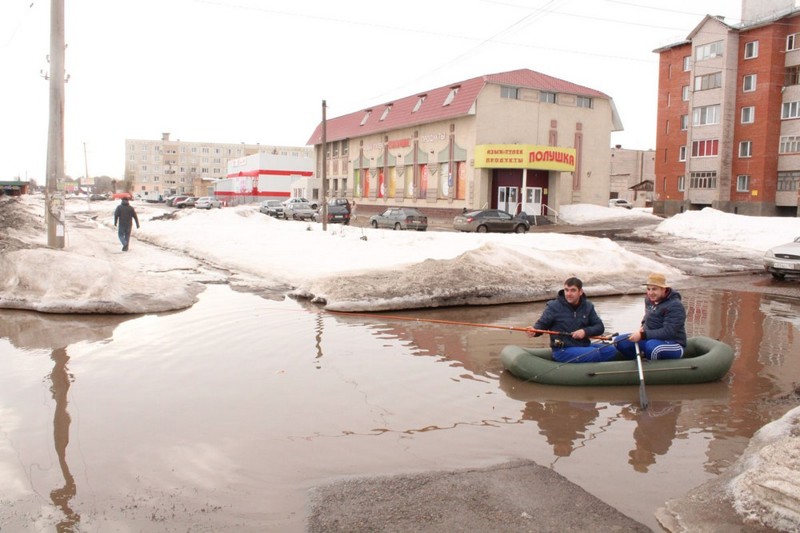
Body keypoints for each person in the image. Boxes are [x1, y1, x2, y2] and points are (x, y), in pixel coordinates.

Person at [528, 277, 617, 363]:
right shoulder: (553, 306)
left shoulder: (588, 306)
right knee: (593, 353)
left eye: (573, 290)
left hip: (583, 346)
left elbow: (599, 327)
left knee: (611, 350)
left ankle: (590, 365)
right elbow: (542, 324)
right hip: (563, 349)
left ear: (580, 292)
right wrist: (534, 331)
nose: (569, 294)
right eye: (566, 290)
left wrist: (585, 332)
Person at [615, 272, 687, 360]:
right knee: (620, 341)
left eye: (654, 289)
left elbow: (668, 332)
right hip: (651, 338)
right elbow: (647, 317)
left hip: (673, 343)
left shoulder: (675, 305)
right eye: (648, 289)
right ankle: (637, 362)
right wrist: (642, 327)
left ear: (664, 289)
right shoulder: (649, 300)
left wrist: (642, 335)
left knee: (652, 347)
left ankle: (651, 370)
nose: (650, 293)